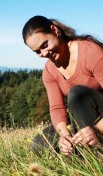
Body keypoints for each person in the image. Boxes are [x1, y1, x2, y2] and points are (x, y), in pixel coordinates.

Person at [22, 15, 103, 156]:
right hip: (80, 119)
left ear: (55, 30)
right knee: (39, 143)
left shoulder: (90, 52)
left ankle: (93, 153)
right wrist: (64, 135)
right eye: (37, 51)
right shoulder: (49, 71)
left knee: (77, 94)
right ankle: (78, 153)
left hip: (100, 117)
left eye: (45, 45)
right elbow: (57, 108)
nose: (44, 53)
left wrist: (97, 129)